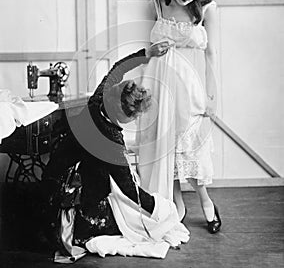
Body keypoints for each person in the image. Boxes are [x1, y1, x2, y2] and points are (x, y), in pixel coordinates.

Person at [41, 45, 189, 262]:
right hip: (70, 195)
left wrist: (147, 53)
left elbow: (118, 68)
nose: (136, 120)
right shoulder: (111, 141)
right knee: (124, 219)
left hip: (56, 173)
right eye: (134, 116)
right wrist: (161, 209)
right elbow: (130, 190)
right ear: (121, 114)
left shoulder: (99, 99)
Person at [136, 0, 222, 234]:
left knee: (190, 144)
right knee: (165, 145)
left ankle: (206, 201)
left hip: (190, 83)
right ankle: (176, 203)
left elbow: (210, 55)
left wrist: (212, 96)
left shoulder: (206, 8)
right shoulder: (158, 3)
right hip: (158, 81)